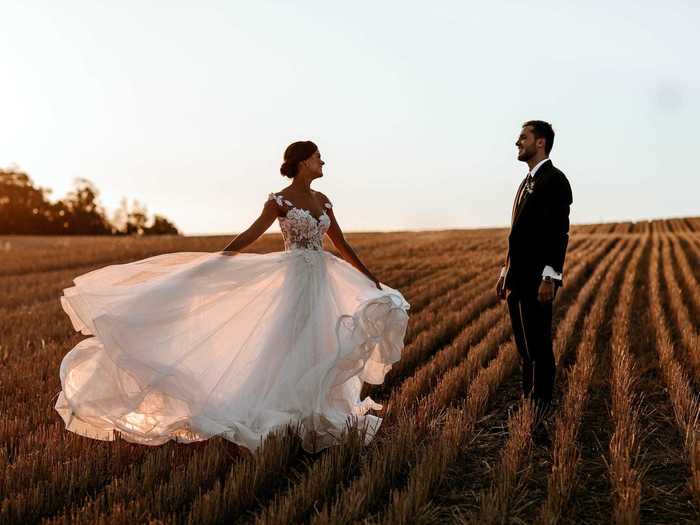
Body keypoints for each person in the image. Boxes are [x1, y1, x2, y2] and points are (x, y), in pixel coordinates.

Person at [55, 140, 410, 453]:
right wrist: (219, 260)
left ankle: (314, 411)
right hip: (295, 280)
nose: (323, 163)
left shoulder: (323, 200)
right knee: (288, 341)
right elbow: (251, 233)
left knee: (319, 342)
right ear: (302, 162)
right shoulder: (279, 201)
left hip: (322, 278)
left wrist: (369, 276)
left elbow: (340, 243)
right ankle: (277, 411)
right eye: (319, 157)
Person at [496, 121, 573, 424]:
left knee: (540, 346)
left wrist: (550, 276)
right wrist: (505, 270)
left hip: (537, 280)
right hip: (518, 277)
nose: (517, 142)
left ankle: (541, 406)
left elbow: (559, 233)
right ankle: (528, 400)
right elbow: (518, 234)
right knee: (524, 348)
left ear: (540, 142)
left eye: (523, 138)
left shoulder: (555, 180)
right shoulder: (525, 182)